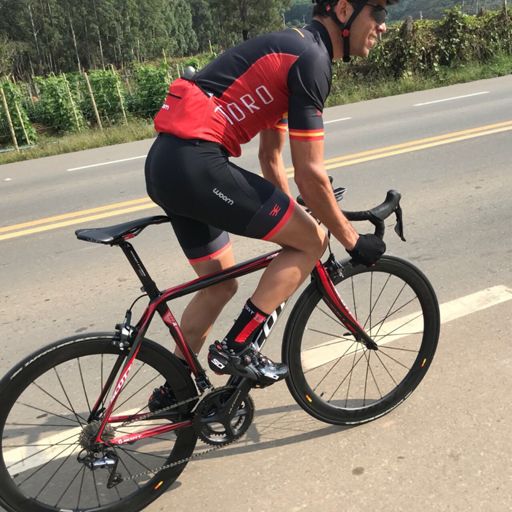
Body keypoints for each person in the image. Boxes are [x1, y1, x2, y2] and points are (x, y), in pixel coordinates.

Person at [145, 0, 397, 408]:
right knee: (313, 241)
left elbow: (271, 159)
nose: (383, 26)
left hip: (166, 163)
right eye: (379, 13)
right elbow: (310, 174)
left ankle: (175, 392)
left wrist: (295, 215)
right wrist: (352, 240)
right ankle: (238, 346)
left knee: (220, 284)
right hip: (197, 164)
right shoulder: (312, 60)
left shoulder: (293, 48)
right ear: (344, 10)